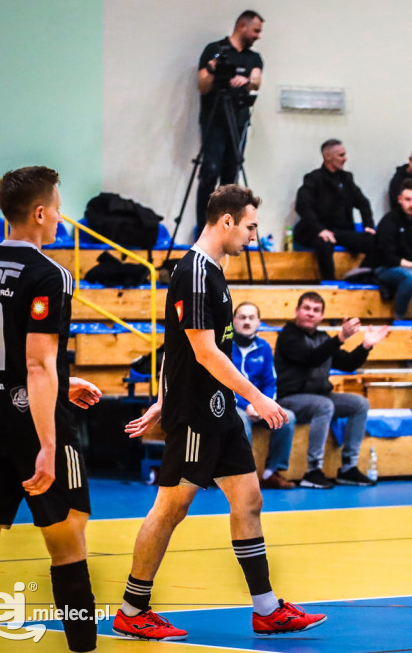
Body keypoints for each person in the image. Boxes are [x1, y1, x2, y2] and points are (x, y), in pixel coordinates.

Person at [115, 185, 326, 640]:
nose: (254, 235)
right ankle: (133, 608)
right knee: (170, 508)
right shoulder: (193, 272)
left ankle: (267, 609)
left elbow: (176, 348)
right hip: (197, 415)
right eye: (251, 226)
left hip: (219, 410)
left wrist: (160, 399)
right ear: (227, 221)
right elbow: (205, 353)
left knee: (249, 500)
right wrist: (258, 397)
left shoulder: (213, 270)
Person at [0, 167, 102, 653]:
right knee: (68, 539)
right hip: (32, 425)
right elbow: (35, 362)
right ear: (38, 212)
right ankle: (83, 647)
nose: (58, 216)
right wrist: (49, 442)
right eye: (55, 207)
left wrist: (61, 381)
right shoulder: (50, 274)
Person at [274, 292, 389, 489]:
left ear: (321, 316)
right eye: (307, 308)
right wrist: (341, 337)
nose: (311, 313)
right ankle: (313, 470)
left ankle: (348, 468)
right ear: (296, 311)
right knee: (324, 405)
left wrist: (365, 346)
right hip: (291, 399)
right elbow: (311, 357)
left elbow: (347, 364)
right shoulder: (287, 336)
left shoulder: (322, 337)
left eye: (316, 310)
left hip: (320, 396)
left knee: (359, 404)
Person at [195, 10, 264, 234]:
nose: (258, 36)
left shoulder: (254, 58)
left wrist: (246, 81)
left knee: (230, 180)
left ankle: (226, 229)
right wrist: (214, 72)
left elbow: (256, 81)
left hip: (238, 122)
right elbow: (203, 86)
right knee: (209, 172)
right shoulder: (215, 50)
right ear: (242, 26)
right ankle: (204, 228)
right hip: (214, 121)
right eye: (256, 30)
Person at [231, 302, 295, 489]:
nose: (246, 322)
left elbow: (270, 382)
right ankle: (245, 476)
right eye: (242, 317)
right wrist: (247, 405)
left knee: (287, 418)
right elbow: (223, 384)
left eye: (251, 318)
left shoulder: (264, 347)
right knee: (241, 421)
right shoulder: (224, 346)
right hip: (232, 403)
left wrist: (263, 405)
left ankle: (271, 473)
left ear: (259, 322)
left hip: (257, 404)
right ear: (234, 320)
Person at [293, 139, 376, 281]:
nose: (345, 159)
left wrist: (368, 225)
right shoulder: (313, 179)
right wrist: (320, 230)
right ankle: (329, 283)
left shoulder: (347, 178)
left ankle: (360, 276)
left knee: (375, 241)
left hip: (342, 231)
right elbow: (302, 205)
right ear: (328, 157)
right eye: (341, 155)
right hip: (318, 231)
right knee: (324, 245)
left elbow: (363, 203)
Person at [367, 178, 412, 319]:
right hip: (385, 269)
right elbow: (388, 258)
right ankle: (399, 318)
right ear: (400, 199)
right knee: (409, 276)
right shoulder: (389, 221)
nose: (411, 205)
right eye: (408, 199)